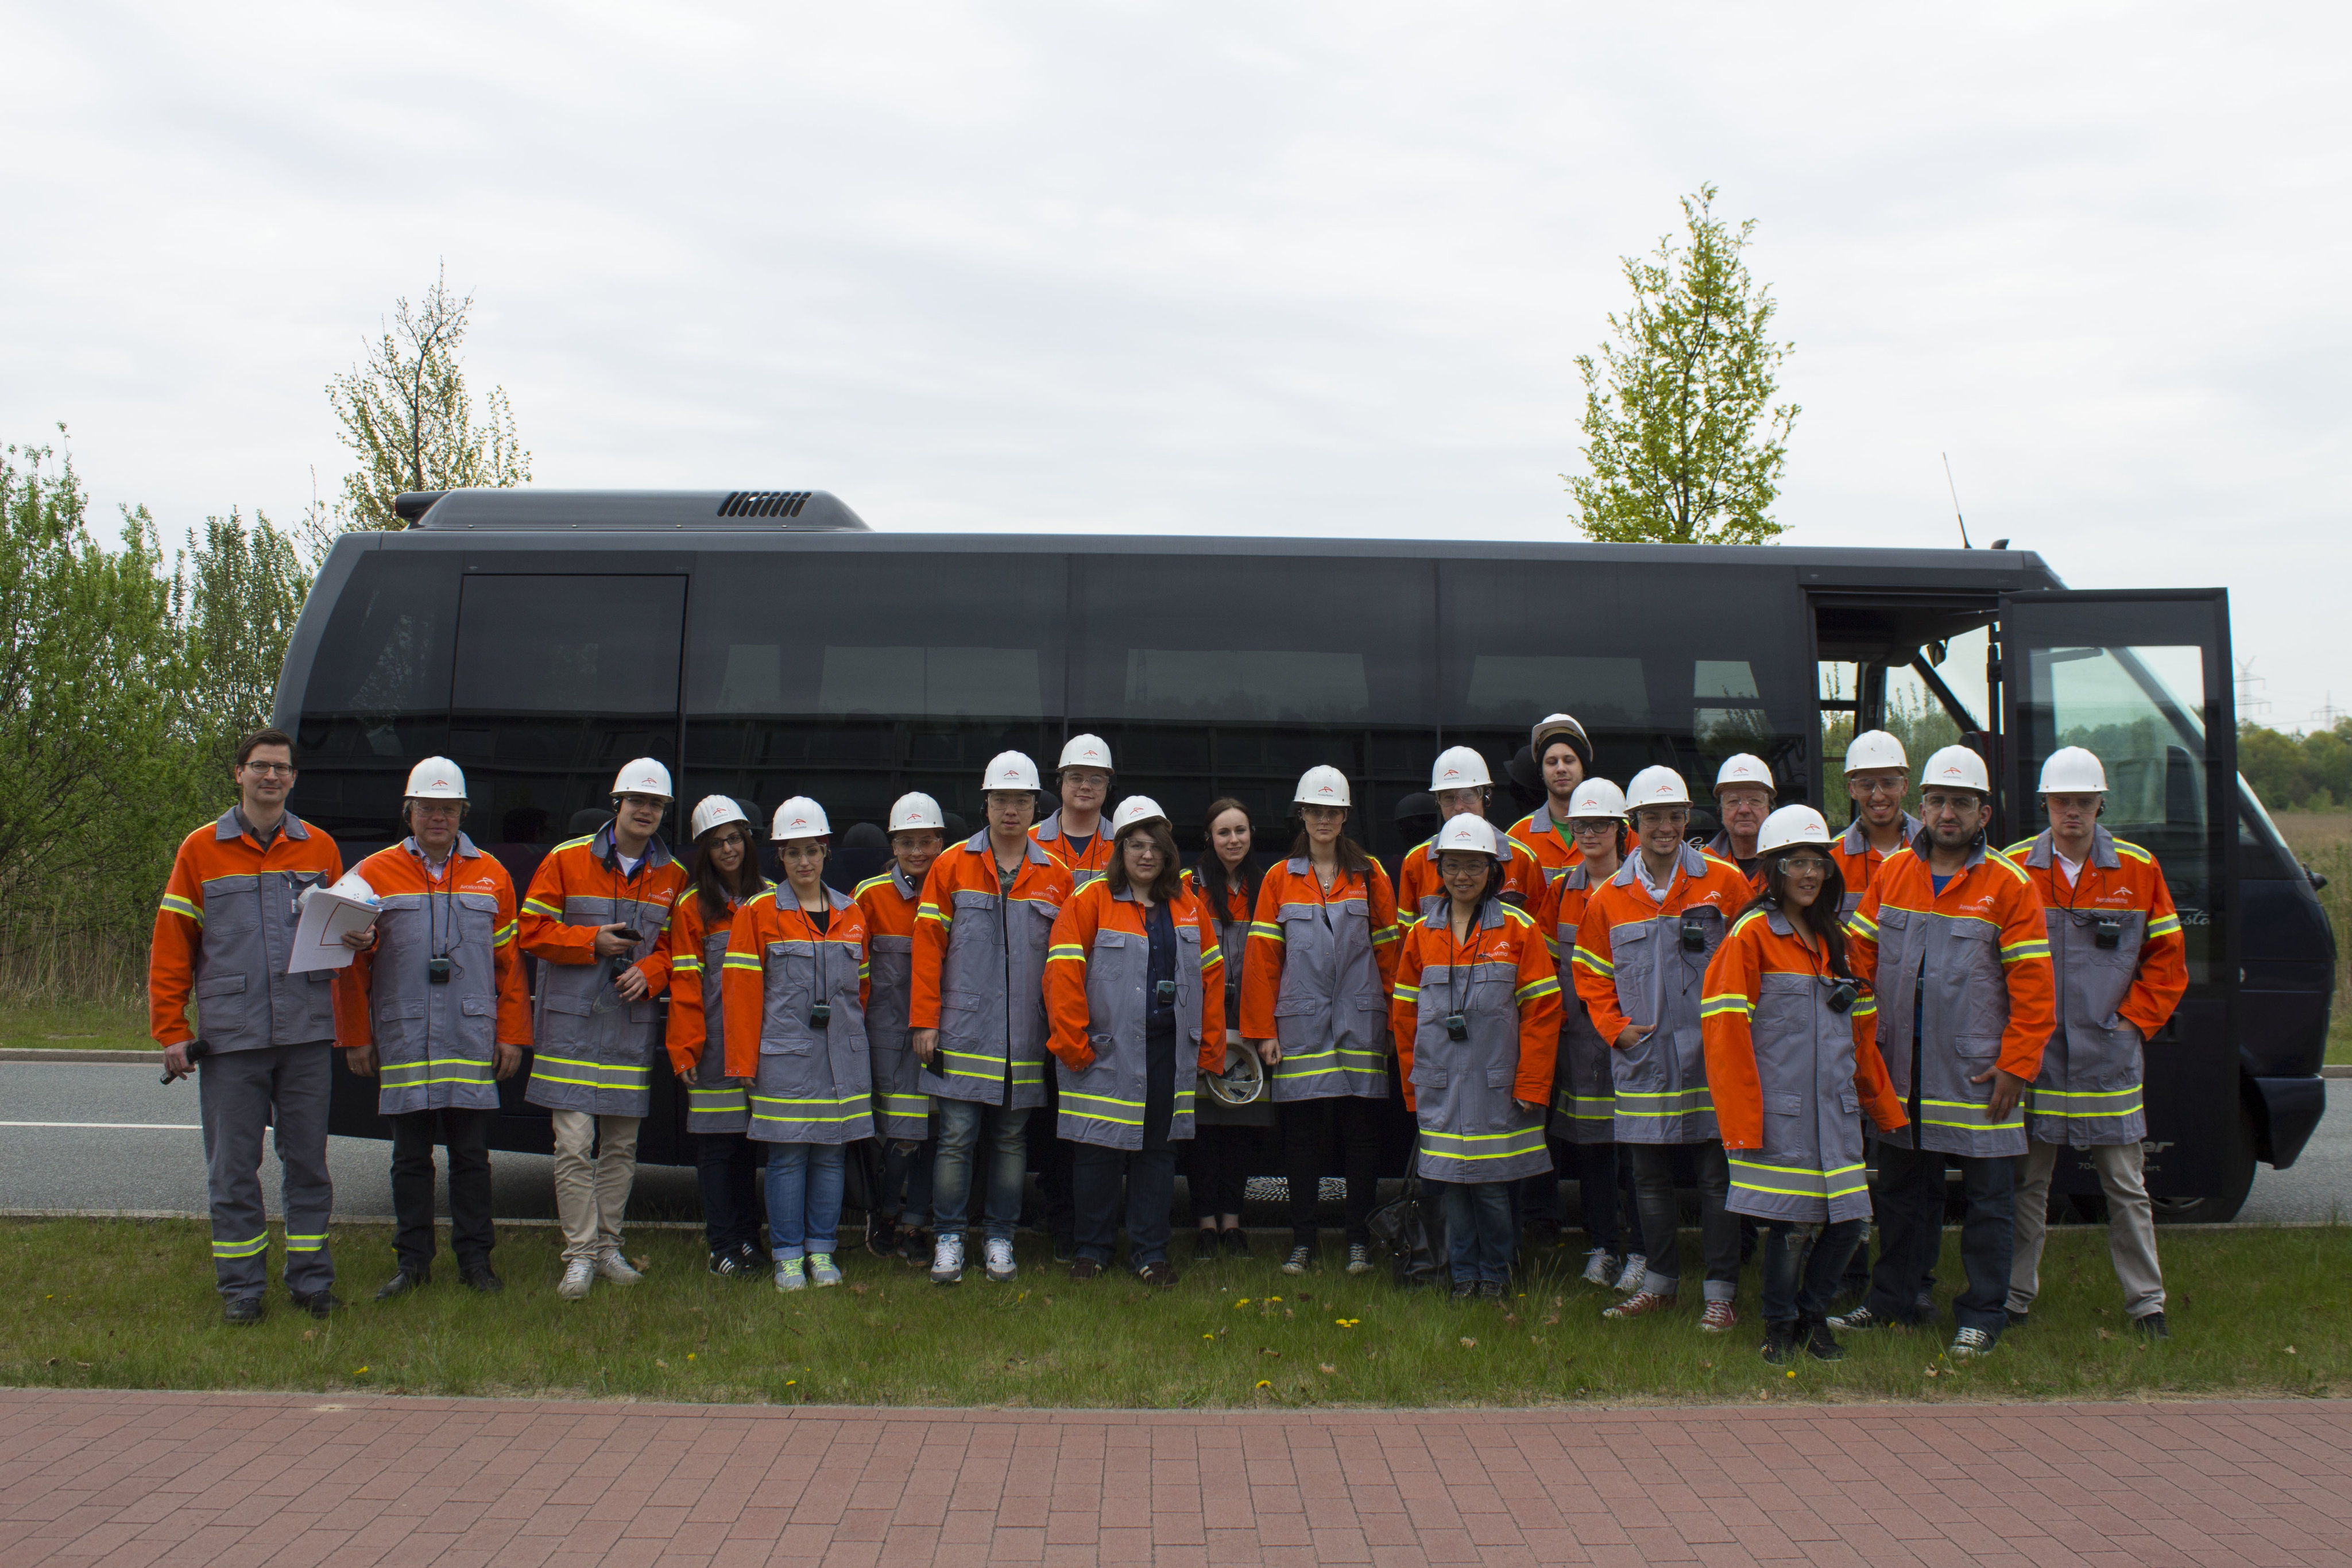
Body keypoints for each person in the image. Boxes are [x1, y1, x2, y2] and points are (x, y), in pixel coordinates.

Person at [1835, 745, 2054, 1359]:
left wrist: (2017, 1065)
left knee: (1988, 1197)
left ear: (1984, 813)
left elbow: (2034, 990)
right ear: (1922, 806)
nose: (1946, 812)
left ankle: (1983, 1313)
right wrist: (1862, 1041)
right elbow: (1860, 961)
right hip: (1902, 1068)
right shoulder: (1894, 873)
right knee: (1904, 1194)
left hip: (1979, 1072)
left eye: (1960, 802)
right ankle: (1892, 1300)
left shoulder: (2008, 885)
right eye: (1937, 801)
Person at [152, 729, 354, 1324]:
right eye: (261, 767)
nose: (272, 777)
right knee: (234, 1168)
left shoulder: (319, 848)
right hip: (230, 1038)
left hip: (306, 1034)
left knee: (310, 1164)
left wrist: (358, 937)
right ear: (238, 773)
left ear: (293, 778)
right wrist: (170, 1029)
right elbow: (172, 947)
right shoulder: (199, 850)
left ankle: (311, 1281)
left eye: (282, 769)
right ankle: (241, 1290)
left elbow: (343, 935)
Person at [1702, 805, 1910, 1364]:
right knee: (1792, 1226)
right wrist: (1743, 1119)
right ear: (1772, 868)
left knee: (1849, 1223)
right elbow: (1724, 1032)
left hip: (1835, 1113)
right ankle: (1781, 1325)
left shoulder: (1833, 938)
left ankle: (1812, 1313)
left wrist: (1883, 1109)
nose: (1809, 872)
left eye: (1818, 861)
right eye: (1796, 861)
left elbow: (1860, 1034)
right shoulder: (1750, 935)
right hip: (1781, 1115)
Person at [2004, 747, 2187, 1339]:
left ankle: (2146, 1305)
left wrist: (2134, 1023)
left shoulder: (2137, 868)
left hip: (2108, 1058)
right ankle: (2013, 1297)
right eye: (2062, 802)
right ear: (2045, 804)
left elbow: (2167, 960)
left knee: (2126, 1186)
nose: (2072, 812)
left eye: (2083, 802)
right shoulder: (2012, 869)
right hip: (2035, 1060)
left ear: (2099, 803)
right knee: (2027, 1185)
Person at [340, 757, 531, 1300]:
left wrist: (512, 1032)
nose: (439, 818)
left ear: (463, 812)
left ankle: (476, 1262)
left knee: (472, 1159)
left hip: (471, 1037)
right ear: (410, 812)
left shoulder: (493, 874)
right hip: (405, 1036)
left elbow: (510, 965)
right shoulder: (372, 875)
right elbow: (350, 965)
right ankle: (413, 1264)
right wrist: (356, 1035)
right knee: (408, 1159)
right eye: (428, 808)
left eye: (449, 809)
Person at [1573, 765, 1755, 1330]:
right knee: (1648, 1178)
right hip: (1644, 1059)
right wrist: (1614, 1028)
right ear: (1633, 823)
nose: (1664, 827)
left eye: (1673, 816)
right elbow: (1589, 971)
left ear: (1685, 819)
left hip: (1710, 1057)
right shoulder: (1609, 897)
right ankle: (1659, 1284)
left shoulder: (1724, 882)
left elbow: (1756, 954)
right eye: (1652, 816)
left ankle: (1720, 1293)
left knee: (1715, 1177)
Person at [520, 757, 688, 1302]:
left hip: (627, 1025)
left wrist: (652, 971)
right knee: (573, 1144)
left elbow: (676, 950)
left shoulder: (674, 876)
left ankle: (608, 1248)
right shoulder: (565, 859)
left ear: (663, 811)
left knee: (620, 1146)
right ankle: (579, 1255)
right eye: (636, 801)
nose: (645, 811)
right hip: (570, 1023)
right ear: (618, 804)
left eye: (655, 803)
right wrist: (589, 941)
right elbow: (531, 929)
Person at [1045, 797, 1228, 1286]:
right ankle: (1093, 1249)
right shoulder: (1088, 901)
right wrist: (1073, 1042)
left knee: (1157, 1153)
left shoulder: (1189, 907)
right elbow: (1062, 974)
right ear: (1119, 849)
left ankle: (1151, 1253)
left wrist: (1210, 1048)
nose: (1147, 856)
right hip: (1103, 1051)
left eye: (1156, 847)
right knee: (1097, 1151)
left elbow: (1211, 978)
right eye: (1136, 845)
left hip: (1167, 1051)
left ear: (1169, 854)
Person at [910, 751, 1074, 1286]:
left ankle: (1001, 1237)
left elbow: (1069, 960)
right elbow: (927, 948)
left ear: (1035, 806)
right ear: (986, 803)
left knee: (1010, 1140)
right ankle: (951, 1239)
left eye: (1022, 799)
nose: (1011, 809)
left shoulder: (1057, 875)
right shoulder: (951, 865)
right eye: (1002, 799)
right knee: (956, 1135)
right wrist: (924, 1021)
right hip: (962, 1030)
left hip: (1025, 1035)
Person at [1391, 815, 1561, 1299]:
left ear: (1493, 869)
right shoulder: (1422, 933)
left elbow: (1544, 1013)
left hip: (1498, 1085)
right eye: (1452, 865)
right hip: (1441, 1083)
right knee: (1452, 1186)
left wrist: (1531, 1084)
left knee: (1490, 1186)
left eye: (1472, 865)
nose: (1461, 875)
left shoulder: (1519, 929)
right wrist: (1413, 1084)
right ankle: (1463, 1276)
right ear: (1439, 869)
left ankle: (1499, 1273)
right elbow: (1404, 1017)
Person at [1241, 766, 1402, 1276]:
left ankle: (1358, 1241)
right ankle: (1303, 1241)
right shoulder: (1278, 877)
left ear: (1345, 816)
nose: (1324, 819)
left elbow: (1390, 954)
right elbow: (1263, 958)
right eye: (1316, 810)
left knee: (1361, 1138)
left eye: (1333, 811)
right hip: (1301, 1028)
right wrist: (1263, 1031)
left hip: (1362, 1024)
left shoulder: (1371, 873)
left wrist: (1399, 1025)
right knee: (1302, 1139)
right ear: (1303, 814)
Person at [721, 798, 873, 1290]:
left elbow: (862, 990)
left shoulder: (852, 912)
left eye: (812, 850)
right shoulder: (758, 912)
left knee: (830, 1153)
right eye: (792, 853)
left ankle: (821, 1253)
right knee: (788, 1156)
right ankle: (788, 1255)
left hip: (841, 1059)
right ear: (779, 859)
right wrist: (743, 1060)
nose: (804, 862)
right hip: (784, 1056)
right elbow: (741, 993)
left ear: (826, 852)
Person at [665, 795, 771, 1280]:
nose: (728, 849)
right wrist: (684, 1046)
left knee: (751, 1148)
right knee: (717, 1148)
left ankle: (751, 1239)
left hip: (761, 1045)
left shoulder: (770, 897)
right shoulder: (692, 906)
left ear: (748, 841)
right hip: (712, 1047)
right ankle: (722, 1246)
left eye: (735, 839)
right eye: (716, 842)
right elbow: (685, 980)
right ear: (703, 851)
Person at [1535, 779, 1635, 1287]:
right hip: (1582, 1042)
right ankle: (1604, 1247)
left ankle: (1640, 1250)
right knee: (1594, 1148)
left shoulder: (1641, 886)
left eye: (1600, 824)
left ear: (1621, 829)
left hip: (1635, 1040)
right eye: (1582, 825)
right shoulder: (1560, 890)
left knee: (1640, 1148)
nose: (1591, 833)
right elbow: (1551, 970)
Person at [857, 792, 949, 1262]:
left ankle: (916, 1223)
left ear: (941, 842)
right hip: (888, 1037)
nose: (918, 852)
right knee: (900, 1134)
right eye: (907, 842)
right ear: (893, 845)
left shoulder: (956, 890)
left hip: (945, 1033)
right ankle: (886, 1213)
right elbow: (855, 973)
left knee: (934, 1133)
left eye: (927, 842)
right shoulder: (869, 896)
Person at [1179, 796, 1267, 1261]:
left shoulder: (1268, 885)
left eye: (1241, 831)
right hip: (1202, 1019)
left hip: (1249, 1021)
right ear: (1209, 839)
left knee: (1240, 1124)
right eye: (1223, 832)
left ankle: (1233, 1223)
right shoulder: (1185, 886)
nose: (1233, 840)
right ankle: (1205, 1225)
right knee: (1202, 1128)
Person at [1395, 746, 1548, 927]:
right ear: (1438, 802)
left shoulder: (1523, 860)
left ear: (1486, 797)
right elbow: (1408, 937)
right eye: (1449, 797)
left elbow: (1537, 934)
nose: (1459, 806)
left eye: (1468, 795)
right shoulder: (1416, 862)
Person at [1831, 730, 1921, 919]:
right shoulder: (1833, 858)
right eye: (1867, 785)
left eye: (1889, 784)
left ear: (1904, 786)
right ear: (1852, 790)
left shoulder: (1931, 848)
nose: (1878, 796)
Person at [1507, 713, 1594, 885]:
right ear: (1541, 772)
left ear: (1583, 768)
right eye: (1552, 762)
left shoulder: (1619, 832)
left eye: (1569, 761)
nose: (1561, 768)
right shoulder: (1517, 838)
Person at [1033, 734, 1115, 887]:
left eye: (1096, 780)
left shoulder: (1122, 844)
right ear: (1060, 783)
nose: (1085, 786)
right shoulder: (1029, 841)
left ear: (1107, 787)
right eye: (1076, 778)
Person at [1705, 754, 1776, 886]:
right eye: (1733, 801)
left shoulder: (1789, 860)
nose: (1744, 810)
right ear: (1720, 811)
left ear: (1770, 808)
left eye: (1755, 800)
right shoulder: (1701, 864)